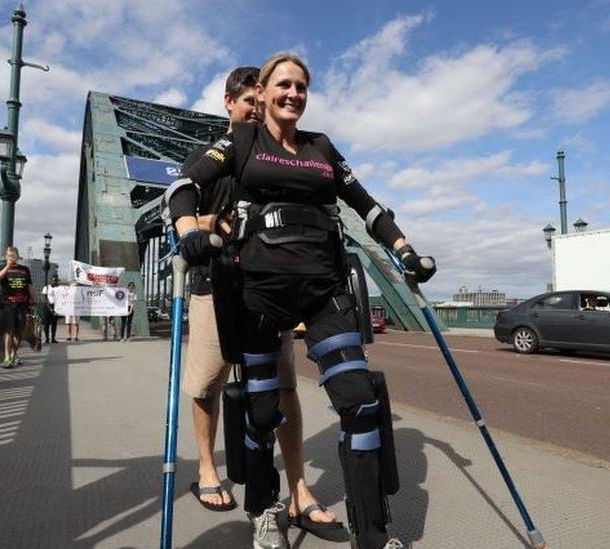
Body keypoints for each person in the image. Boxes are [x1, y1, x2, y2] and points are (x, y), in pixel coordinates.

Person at [171, 53, 436, 549]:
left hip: (323, 290)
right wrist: (189, 228)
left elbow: (368, 205)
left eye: (301, 87)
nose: (292, 94)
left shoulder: (321, 147)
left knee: (359, 401)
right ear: (265, 92)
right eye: (283, 85)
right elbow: (185, 186)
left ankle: (374, 535)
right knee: (262, 410)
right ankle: (264, 509)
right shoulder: (241, 140)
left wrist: (404, 250)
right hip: (258, 295)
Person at [167, 66, 342, 541]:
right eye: (247, 102)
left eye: (257, 102)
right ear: (230, 103)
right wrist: (208, 226)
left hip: (265, 286)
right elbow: (179, 211)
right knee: (208, 381)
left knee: (282, 387)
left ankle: (299, 490)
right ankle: (208, 469)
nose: (254, 109)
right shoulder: (217, 155)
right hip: (212, 282)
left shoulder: (271, 155)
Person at [0, 246, 36, 368]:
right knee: (8, 330)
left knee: (19, 331)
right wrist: (7, 267)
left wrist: (34, 302)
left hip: (23, 304)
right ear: (6, 257)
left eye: (13, 254)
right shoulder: (1, 267)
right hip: (7, 305)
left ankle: (14, 353)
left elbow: (30, 286)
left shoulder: (25, 270)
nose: (11, 256)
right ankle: (7, 357)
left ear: (17, 256)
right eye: (9, 255)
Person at [42, 275, 61, 344]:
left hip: (56, 307)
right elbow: (44, 298)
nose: (55, 281)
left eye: (56, 280)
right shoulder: (46, 288)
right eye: (53, 280)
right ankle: (47, 339)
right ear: (51, 280)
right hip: (47, 307)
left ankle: (53, 338)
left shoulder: (59, 288)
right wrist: (50, 308)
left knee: (54, 323)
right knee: (46, 323)